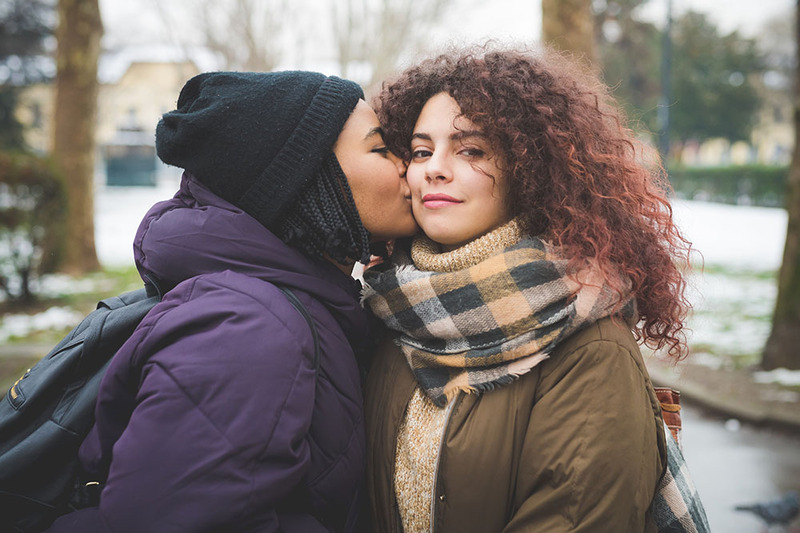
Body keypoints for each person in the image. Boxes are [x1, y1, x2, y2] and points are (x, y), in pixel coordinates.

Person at [44, 70, 417, 533]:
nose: (407, 164)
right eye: (380, 149)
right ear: (305, 180)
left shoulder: (293, 304)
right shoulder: (248, 332)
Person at [361, 46, 693, 532]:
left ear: (530, 169)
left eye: (471, 150)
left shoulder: (593, 351)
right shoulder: (386, 310)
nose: (434, 168)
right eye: (421, 150)